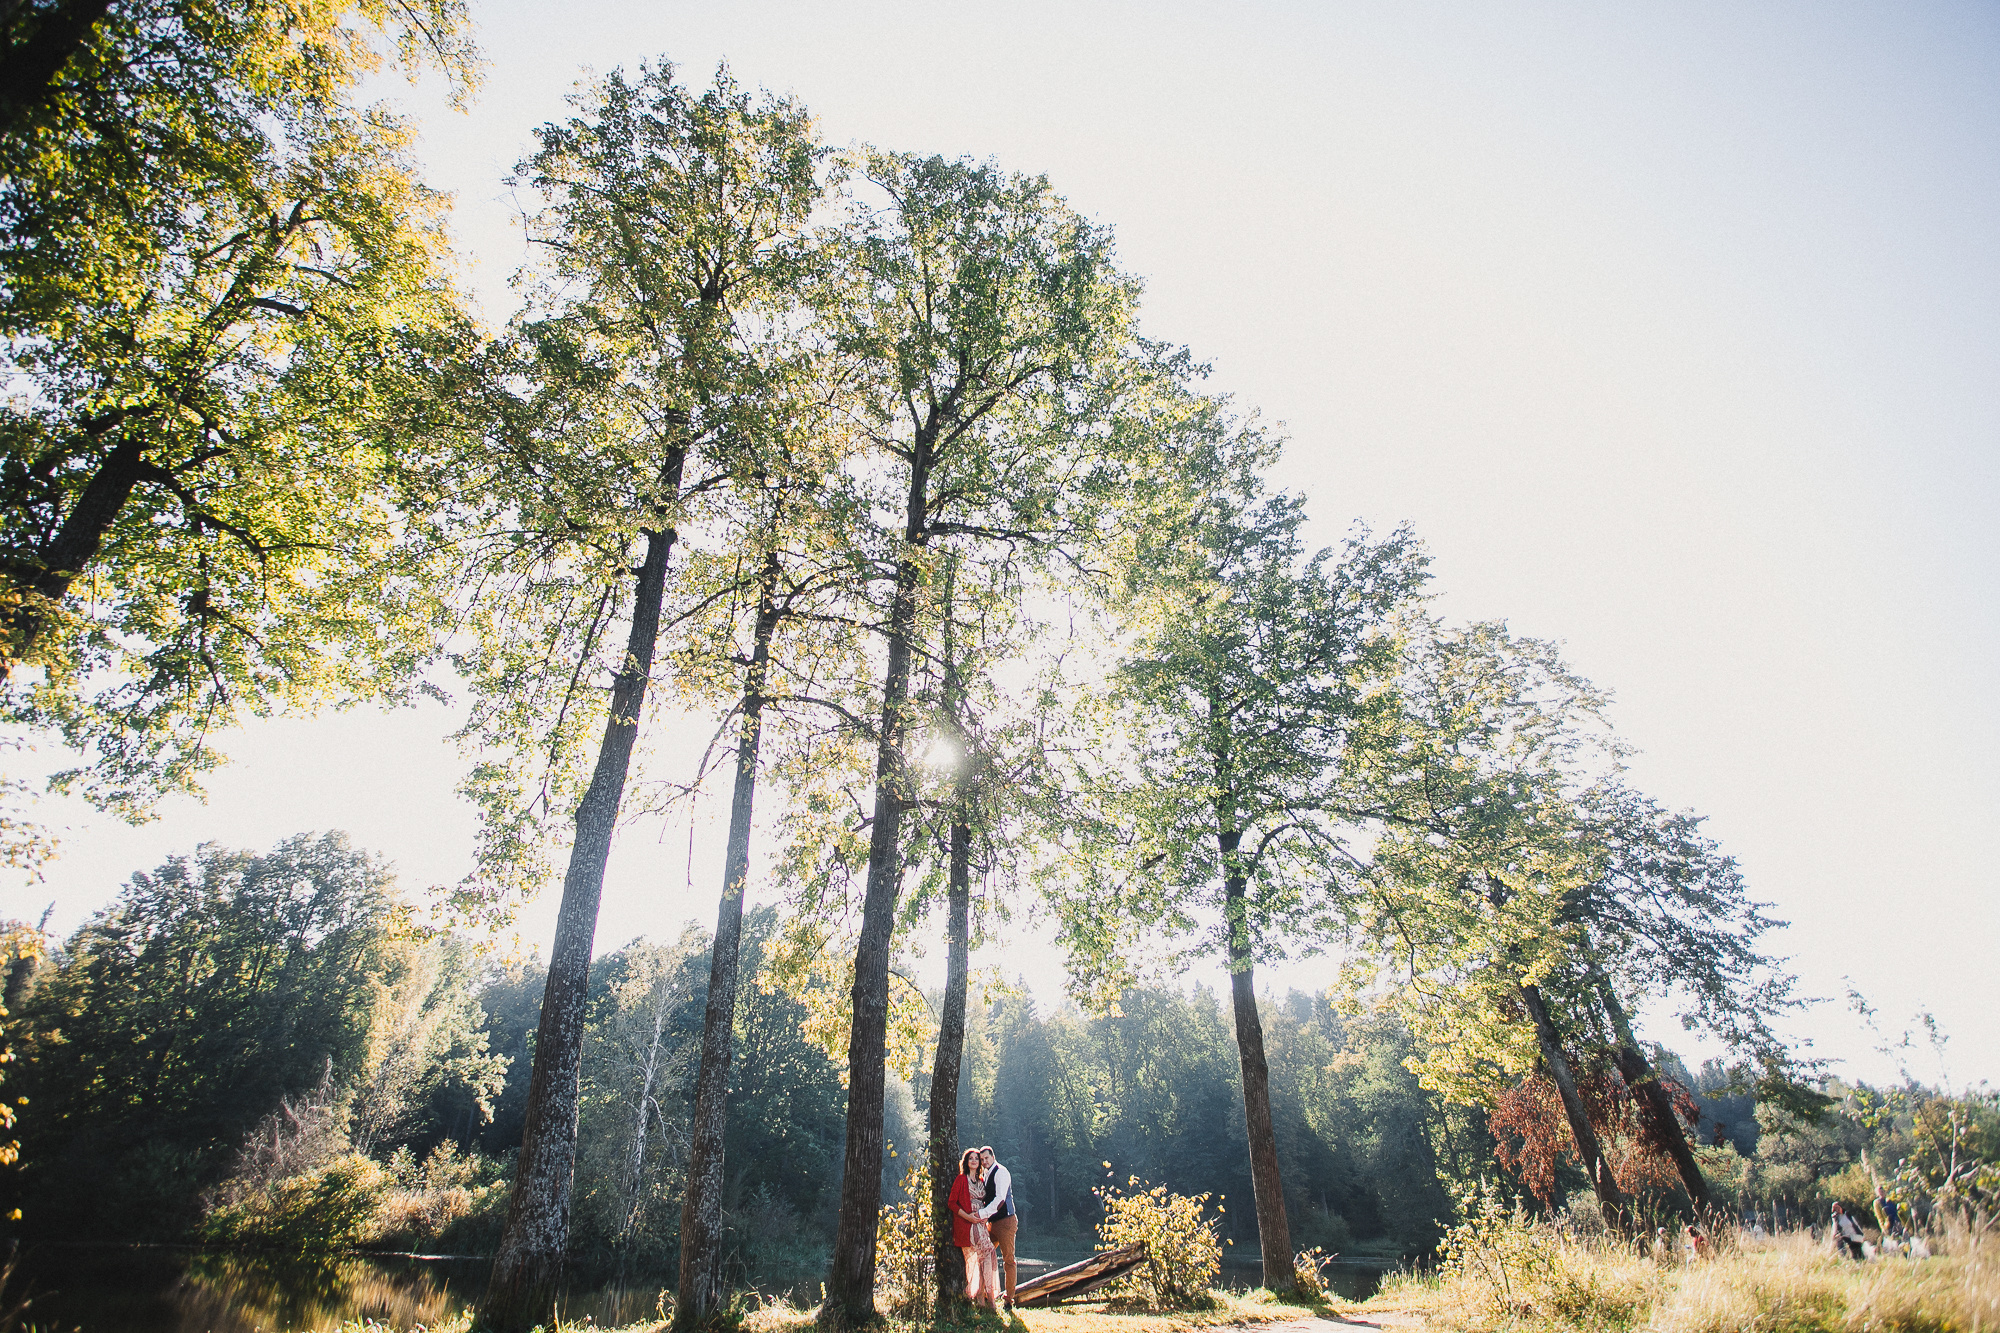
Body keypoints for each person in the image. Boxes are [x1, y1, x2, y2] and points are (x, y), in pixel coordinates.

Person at [949, 1147, 999, 1309]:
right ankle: (986, 1297)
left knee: (985, 1256)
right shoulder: (961, 1179)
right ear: (966, 1161)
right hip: (967, 1223)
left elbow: (985, 1202)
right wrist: (968, 1217)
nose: (974, 1161)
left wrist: (984, 1217)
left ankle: (982, 1296)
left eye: (977, 1159)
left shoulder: (981, 1180)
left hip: (981, 1223)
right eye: (971, 1158)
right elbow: (952, 1203)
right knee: (988, 1252)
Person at [976, 1145, 1019, 1312]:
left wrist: (983, 1213)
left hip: (1006, 1221)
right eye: (982, 1159)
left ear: (993, 1157)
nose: (984, 1161)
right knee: (984, 1255)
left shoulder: (1001, 1172)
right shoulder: (986, 1174)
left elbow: (1000, 1199)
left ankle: (1009, 1300)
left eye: (986, 1158)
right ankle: (984, 1295)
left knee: (1009, 1259)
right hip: (992, 1223)